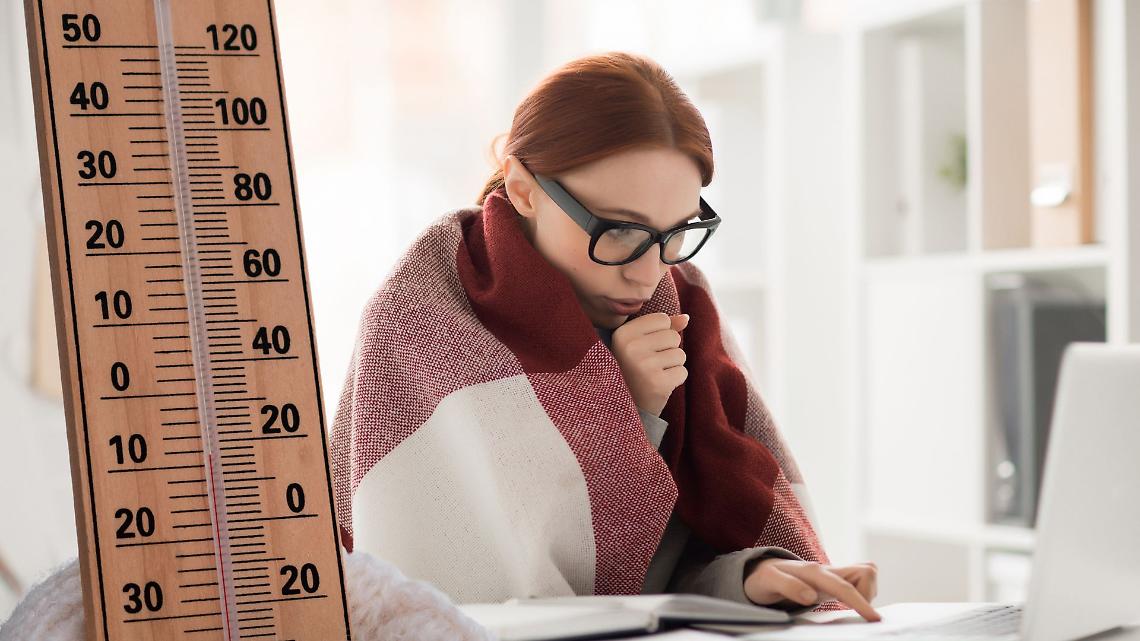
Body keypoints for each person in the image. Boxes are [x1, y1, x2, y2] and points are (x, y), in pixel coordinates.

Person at [331, 51, 880, 622]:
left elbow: (654, 578)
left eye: (677, 232)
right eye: (619, 230)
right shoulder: (424, 314)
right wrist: (624, 403)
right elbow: (505, 591)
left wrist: (752, 578)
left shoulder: (682, 299)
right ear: (523, 189)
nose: (646, 272)